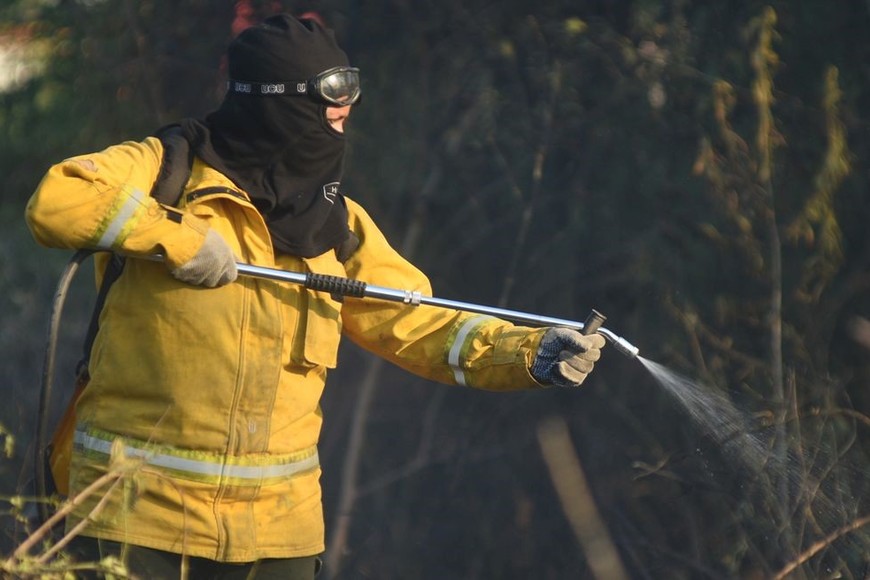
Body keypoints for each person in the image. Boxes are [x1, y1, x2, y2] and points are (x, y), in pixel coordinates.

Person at [25, 13, 605, 579]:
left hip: (280, 542)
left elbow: (419, 324)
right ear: (274, 106)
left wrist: (530, 352)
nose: (342, 122)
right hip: (133, 524)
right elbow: (58, 200)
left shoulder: (338, 224)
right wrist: (175, 238)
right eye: (327, 111)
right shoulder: (163, 171)